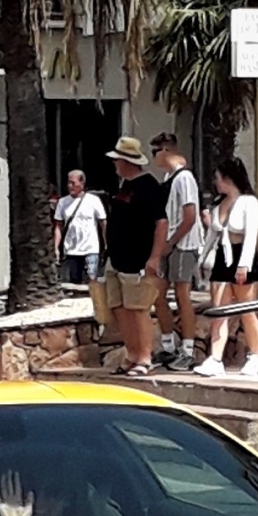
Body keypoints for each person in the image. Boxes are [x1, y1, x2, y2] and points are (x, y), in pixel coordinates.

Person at [95, 137, 168, 376]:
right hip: (116, 258)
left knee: (138, 309)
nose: (115, 164)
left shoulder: (148, 186)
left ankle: (144, 358)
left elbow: (161, 222)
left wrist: (155, 257)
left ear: (127, 161)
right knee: (119, 308)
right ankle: (131, 354)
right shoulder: (123, 186)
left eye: (118, 160)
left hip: (138, 259)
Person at [193, 157, 258, 379]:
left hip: (243, 255)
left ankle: (254, 356)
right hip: (222, 258)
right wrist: (202, 261)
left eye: (218, 178)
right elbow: (211, 236)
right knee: (219, 311)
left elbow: (252, 235)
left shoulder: (249, 202)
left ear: (228, 178)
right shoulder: (218, 205)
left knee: (246, 309)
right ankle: (215, 358)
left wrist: (243, 264)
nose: (215, 182)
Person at [149, 133, 206, 369]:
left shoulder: (185, 178)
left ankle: (188, 349)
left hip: (183, 245)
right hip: (168, 244)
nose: (154, 158)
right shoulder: (168, 177)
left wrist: (172, 241)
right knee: (157, 294)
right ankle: (168, 345)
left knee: (183, 296)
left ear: (166, 150)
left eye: (156, 152)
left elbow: (190, 216)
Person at [51, 169, 104, 285]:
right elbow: (58, 226)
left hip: (91, 248)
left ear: (82, 183)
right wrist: (56, 247)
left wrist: (106, 242)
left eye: (73, 183)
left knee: (92, 279)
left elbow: (103, 222)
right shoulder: (63, 202)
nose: (70, 186)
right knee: (74, 281)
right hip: (71, 249)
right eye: (68, 183)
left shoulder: (93, 201)